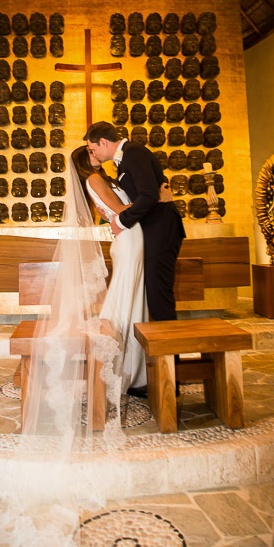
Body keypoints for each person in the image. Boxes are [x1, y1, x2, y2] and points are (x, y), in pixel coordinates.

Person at [85, 122, 186, 395]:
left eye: (94, 149)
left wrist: (122, 220)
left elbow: (150, 196)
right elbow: (151, 194)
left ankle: (171, 378)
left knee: (160, 301)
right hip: (153, 233)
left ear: (104, 142)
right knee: (156, 299)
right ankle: (164, 370)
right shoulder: (124, 160)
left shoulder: (134, 153)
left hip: (162, 233)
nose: (94, 154)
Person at [71, 146, 172, 392]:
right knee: (127, 298)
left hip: (133, 236)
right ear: (85, 160)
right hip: (128, 239)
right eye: (91, 152)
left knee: (134, 298)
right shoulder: (93, 179)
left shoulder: (102, 177)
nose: (96, 153)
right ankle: (123, 369)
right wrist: (158, 200)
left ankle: (133, 367)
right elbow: (122, 211)